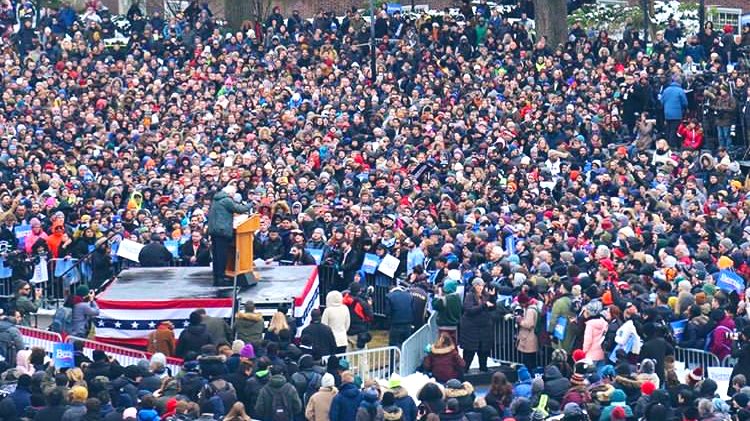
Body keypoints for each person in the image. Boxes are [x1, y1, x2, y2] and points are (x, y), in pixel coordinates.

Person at [208, 184, 251, 285]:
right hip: (222, 231)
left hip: (215, 230)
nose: (233, 196)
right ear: (230, 193)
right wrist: (251, 204)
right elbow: (239, 209)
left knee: (216, 255)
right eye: (233, 194)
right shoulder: (226, 200)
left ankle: (217, 276)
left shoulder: (216, 199)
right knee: (222, 255)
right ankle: (221, 278)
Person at [460, 278, 496, 372]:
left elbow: (492, 307)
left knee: (484, 350)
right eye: (478, 285)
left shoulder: (486, 295)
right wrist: (483, 305)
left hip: (484, 329)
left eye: (481, 285)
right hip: (471, 329)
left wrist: (492, 297)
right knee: (469, 351)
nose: (480, 287)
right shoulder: (469, 296)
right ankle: (465, 369)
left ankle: (483, 367)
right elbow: (469, 310)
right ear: (474, 286)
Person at [343, 282, 373, 351]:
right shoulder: (361, 303)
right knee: (362, 356)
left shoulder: (343, 301)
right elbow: (370, 316)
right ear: (359, 291)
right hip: (359, 333)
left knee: (348, 356)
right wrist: (370, 305)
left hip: (347, 331)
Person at [431, 278, 461, 345]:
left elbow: (434, 305)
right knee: (453, 346)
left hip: (444, 328)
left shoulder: (445, 299)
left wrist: (437, 295)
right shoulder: (458, 298)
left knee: (444, 348)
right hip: (454, 327)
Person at [660, 75, 688, 147]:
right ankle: (672, 146)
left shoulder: (666, 90)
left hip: (666, 113)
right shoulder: (680, 90)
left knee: (668, 129)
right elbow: (685, 103)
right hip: (677, 114)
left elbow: (661, 101)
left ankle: (666, 145)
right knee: (674, 130)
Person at [385, 284, 414, 349]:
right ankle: (405, 358)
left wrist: (389, 322)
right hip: (408, 324)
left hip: (395, 324)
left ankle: (392, 358)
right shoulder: (409, 296)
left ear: (390, 290)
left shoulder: (389, 296)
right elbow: (413, 309)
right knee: (406, 344)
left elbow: (387, 312)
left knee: (393, 344)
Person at [515, 292, 539, 370]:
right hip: (530, 337)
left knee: (528, 361)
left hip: (528, 338)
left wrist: (520, 321)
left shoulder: (530, 310)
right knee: (531, 360)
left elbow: (529, 324)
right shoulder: (533, 307)